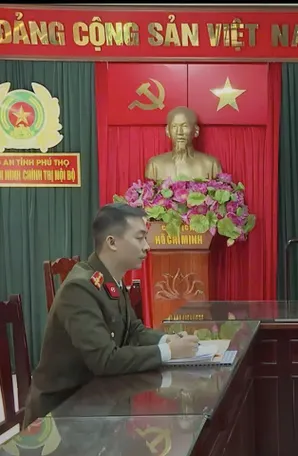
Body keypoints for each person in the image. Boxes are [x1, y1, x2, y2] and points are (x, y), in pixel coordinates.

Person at [23, 203, 200, 427]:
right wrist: (169, 352)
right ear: (112, 242)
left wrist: (167, 340)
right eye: (140, 238)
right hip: (63, 414)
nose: (147, 246)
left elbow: (133, 329)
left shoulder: (110, 279)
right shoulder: (80, 288)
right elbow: (105, 360)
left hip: (97, 400)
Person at [144, 106, 223, 181]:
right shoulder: (155, 165)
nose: (179, 132)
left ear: (196, 131)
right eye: (174, 126)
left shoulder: (211, 165)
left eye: (184, 126)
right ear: (167, 131)